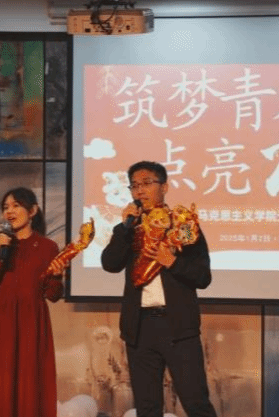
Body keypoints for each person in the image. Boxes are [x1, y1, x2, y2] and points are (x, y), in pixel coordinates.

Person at [101, 161, 218, 417]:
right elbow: (110, 264)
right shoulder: (130, 228)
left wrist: (172, 262)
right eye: (134, 186)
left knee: (196, 402)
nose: (139, 191)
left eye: (146, 184)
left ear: (164, 187)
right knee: (147, 407)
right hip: (139, 327)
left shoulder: (183, 224)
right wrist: (124, 228)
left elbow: (202, 276)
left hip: (177, 326)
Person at [0, 187, 67, 417]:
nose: (9, 211)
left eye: (16, 206)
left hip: (31, 322)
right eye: (6, 207)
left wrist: (57, 276)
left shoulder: (47, 247)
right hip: (0, 321)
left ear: (32, 210)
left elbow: (53, 295)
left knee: (30, 384)